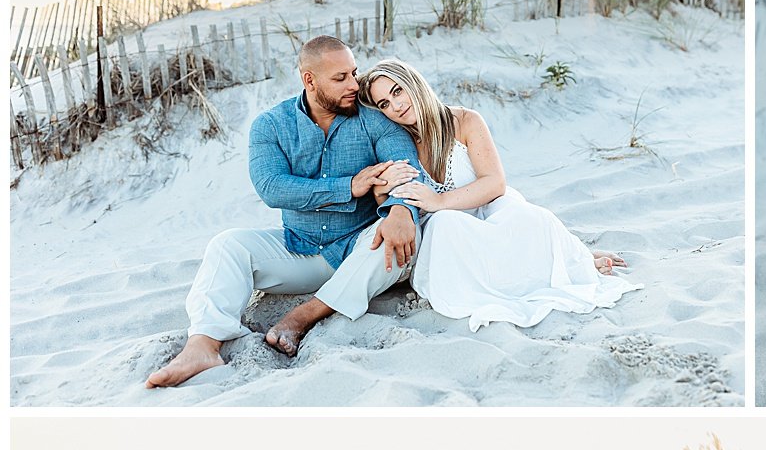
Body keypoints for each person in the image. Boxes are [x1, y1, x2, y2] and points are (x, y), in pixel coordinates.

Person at [146, 38, 432, 388]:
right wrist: (348, 186)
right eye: (340, 78)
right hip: (300, 249)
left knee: (398, 239)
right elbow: (272, 186)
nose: (354, 85)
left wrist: (401, 210)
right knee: (227, 245)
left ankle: (304, 315)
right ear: (310, 80)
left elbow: (406, 168)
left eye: (354, 73)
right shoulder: (271, 125)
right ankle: (202, 347)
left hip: (360, 245)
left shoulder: (375, 120)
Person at [357, 59, 636, 331]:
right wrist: (381, 191)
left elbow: (494, 182)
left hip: (486, 209)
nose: (396, 106)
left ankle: (574, 258)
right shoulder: (396, 142)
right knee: (446, 223)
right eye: (384, 104)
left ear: (414, 84)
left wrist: (439, 200)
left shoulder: (465, 120)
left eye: (397, 91)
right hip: (445, 232)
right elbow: (395, 205)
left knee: (525, 214)